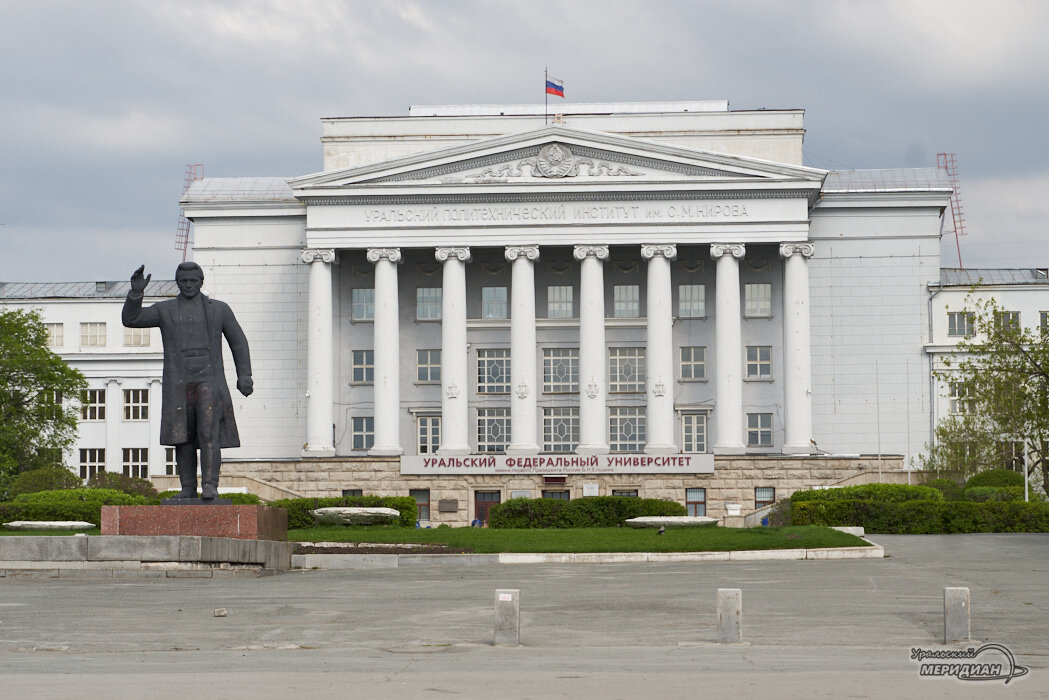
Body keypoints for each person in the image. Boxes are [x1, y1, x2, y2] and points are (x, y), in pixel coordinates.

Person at [122, 263, 252, 500]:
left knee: (208, 432)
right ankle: (188, 487)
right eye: (184, 281)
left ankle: (210, 484)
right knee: (181, 437)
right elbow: (132, 319)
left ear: (201, 281)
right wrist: (136, 294)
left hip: (209, 380)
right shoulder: (166, 309)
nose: (189, 285)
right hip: (178, 382)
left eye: (193, 281)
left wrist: (245, 375)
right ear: (178, 283)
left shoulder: (219, 310)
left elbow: (238, 342)